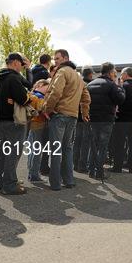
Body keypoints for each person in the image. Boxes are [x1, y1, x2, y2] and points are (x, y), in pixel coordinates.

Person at [42, 49, 91, 190]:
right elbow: (86, 97)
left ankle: (56, 183)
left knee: (57, 150)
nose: (55, 61)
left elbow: (55, 92)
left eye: (57, 58)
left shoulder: (62, 72)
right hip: (73, 116)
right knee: (67, 149)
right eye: (54, 59)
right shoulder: (78, 77)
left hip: (60, 115)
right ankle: (69, 180)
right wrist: (84, 112)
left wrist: (46, 109)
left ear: (65, 58)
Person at [0, 53, 31, 195]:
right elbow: (25, 99)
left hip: (1, 121)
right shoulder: (13, 78)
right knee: (13, 153)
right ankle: (10, 184)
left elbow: (27, 84)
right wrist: (26, 97)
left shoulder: (0, 77)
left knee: (1, 153)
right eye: (22, 64)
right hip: (14, 121)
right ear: (15, 62)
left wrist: (28, 70)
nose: (22, 67)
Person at [87, 62, 125, 179]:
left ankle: (91, 170)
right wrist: (120, 87)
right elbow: (120, 99)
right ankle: (99, 172)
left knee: (93, 145)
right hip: (106, 119)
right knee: (103, 147)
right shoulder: (111, 85)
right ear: (110, 72)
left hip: (92, 118)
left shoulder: (90, 84)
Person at [110, 67, 132, 173]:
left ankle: (117, 167)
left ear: (125, 74)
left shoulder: (123, 86)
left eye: (122, 74)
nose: (121, 76)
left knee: (119, 143)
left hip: (122, 119)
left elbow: (119, 101)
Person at [26, 79, 50, 182]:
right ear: (40, 85)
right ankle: (34, 175)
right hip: (38, 124)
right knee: (36, 150)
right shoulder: (39, 97)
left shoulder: (31, 95)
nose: (48, 90)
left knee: (32, 149)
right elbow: (42, 111)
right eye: (47, 87)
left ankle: (31, 172)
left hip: (31, 125)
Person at [73, 66, 93, 173]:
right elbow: (88, 101)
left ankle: (74, 163)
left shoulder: (77, 84)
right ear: (90, 74)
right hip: (86, 116)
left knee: (77, 140)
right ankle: (82, 165)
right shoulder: (90, 85)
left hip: (76, 116)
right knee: (86, 142)